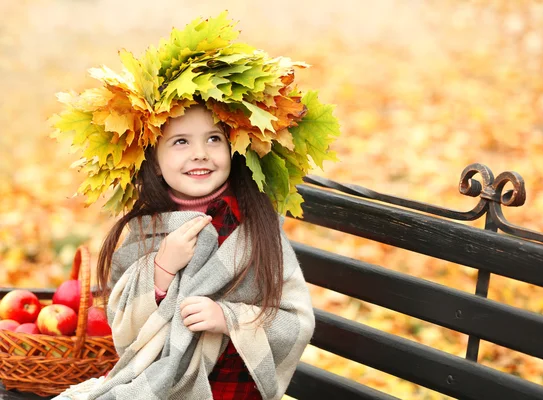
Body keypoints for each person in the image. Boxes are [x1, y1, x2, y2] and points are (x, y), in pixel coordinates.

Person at [50, 11, 340, 400]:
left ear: (235, 148)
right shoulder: (147, 225)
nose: (200, 154)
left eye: (214, 139)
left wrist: (230, 318)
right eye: (181, 142)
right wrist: (161, 270)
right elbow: (123, 324)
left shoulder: (253, 228)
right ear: (153, 158)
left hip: (231, 389)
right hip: (158, 385)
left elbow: (296, 320)